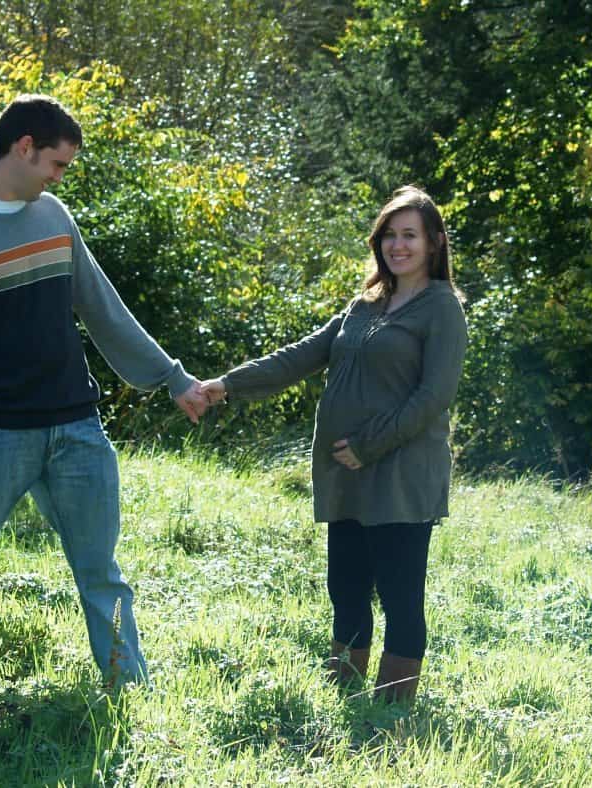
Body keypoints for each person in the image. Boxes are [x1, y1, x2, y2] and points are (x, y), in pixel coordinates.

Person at [0, 94, 209, 688]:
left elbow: (104, 311)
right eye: (57, 163)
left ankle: (130, 689)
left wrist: (172, 378)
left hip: (78, 430)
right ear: (25, 147)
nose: (58, 177)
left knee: (103, 575)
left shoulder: (54, 218)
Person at [201, 185, 467, 704]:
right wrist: (226, 385)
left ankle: (392, 710)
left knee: (399, 597)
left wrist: (369, 444)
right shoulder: (365, 303)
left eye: (409, 235)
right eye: (389, 235)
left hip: (401, 475)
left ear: (434, 242)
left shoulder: (442, 309)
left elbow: (435, 396)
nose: (397, 245)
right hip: (346, 473)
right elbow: (302, 355)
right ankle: (343, 695)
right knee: (345, 591)